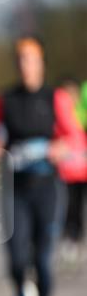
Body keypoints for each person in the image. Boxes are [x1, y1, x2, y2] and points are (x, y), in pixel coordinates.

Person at [0, 38, 84, 296]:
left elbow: (74, 136)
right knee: (17, 260)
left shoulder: (55, 98)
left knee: (43, 260)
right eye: (20, 59)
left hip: (47, 187)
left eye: (30, 59)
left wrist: (58, 148)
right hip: (16, 188)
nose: (25, 65)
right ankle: (20, 294)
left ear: (41, 63)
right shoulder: (5, 99)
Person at [56, 77, 87, 267]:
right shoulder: (60, 116)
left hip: (83, 171)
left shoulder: (82, 115)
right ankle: (69, 240)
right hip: (66, 171)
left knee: (80, 209)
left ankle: (79, 239)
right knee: (68, 208)